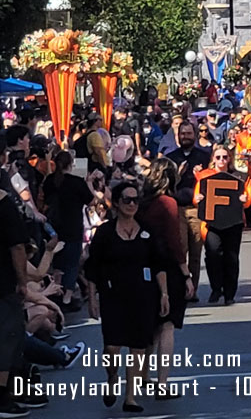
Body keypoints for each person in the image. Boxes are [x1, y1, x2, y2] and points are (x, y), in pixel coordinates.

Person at [83, 181, 169, 411]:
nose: (132, 204)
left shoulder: (147, 231)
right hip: (113, 295)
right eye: (127, 200)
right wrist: (92, 298)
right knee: (111, 348)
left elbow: (159, 264)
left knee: (138, 346)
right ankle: (112, 378)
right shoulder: (105, 233)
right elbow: (93, 266)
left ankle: (130, 397)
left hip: (143, 295)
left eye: (135, 200)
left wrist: (164, 294)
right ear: (118, 203)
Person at [137, 158, 191, 397]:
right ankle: (162, 382)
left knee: (152, 325)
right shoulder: (168, 203)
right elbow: (174, 240)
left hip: (144, 265)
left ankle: (143, 376)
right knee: (167, 325)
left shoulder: (142, 203)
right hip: (167, 267)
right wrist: (186, 272)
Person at [40, 151, 99, 311]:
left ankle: (56, 292)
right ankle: (67, 297)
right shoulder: (76, 182)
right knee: (72, 263)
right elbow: (92, 201)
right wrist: (88, 183)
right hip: (73, 226)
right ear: (71, 164)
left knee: (57, 260)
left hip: (53, 227)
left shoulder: (50, 181)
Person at [195, 146, 246, 305]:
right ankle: (216, 288)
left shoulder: (238, 176)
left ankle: (230, 293)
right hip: (211, 222)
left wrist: (246, 199)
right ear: (213, 160)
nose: (221, 160)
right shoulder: (205, 177)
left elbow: (247, 198)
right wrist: (197, 198)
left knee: (231, 257)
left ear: (229, 159)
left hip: (234, 222)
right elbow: (197, 196)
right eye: (218, 157)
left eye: (225, 157)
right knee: (213, 253)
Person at [168, 122, 211, 298]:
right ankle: (180, 287)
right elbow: (165, 184)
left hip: (196, 209)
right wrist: (177, 174)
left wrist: (199, 175)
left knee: (196, 251)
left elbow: (210, 181)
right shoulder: (171, 157)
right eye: (182, 133)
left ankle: (192, 290)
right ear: (178, 136)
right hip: (177, 209)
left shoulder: (204, 156)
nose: (185, 136)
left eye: (188, 133)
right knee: (181, 249)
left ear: (195, 135)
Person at [0, 184, 29, 418]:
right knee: (8, 337)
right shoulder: (5, 205)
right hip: (3, 283)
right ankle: (3, 395)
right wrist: (22, 281)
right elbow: (17, 246)